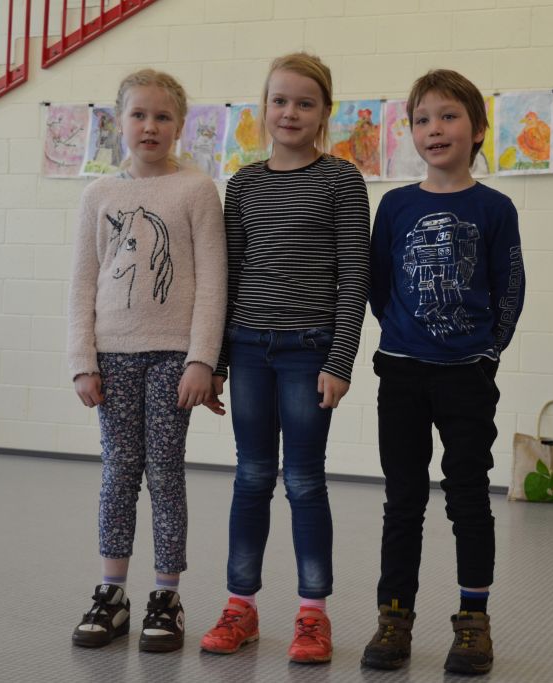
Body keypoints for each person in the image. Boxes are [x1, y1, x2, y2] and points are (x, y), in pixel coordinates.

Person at [198, 52, 371, 664]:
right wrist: (217, 362)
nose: (290, 112)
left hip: (308, 351)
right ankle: (239, 607)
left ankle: (312, 614)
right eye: (279, 101)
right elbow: (227, 277)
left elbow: (355, 277)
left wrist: (340, 360)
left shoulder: (341, 180)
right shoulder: (243, 183)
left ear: (325, 113)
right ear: (263, 108)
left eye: (304, 103)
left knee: (303, 480)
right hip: (248, 347)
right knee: (251, 477)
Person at [361, 69, 525, 676]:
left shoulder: (494, 208)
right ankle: (394, 617)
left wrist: (487, 352)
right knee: (403, 500)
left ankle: (473, 620)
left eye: (449, 116)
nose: (435, 128)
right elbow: (379, 284)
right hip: (402, 373)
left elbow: (510, 288)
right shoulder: (396, 205)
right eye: (423, 119)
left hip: (466, 376)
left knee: (468, 497)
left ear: (477, 129)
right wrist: (406, 334)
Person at [66, 69, 227, 653]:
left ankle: (166, 595)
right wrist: (82, 359)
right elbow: (83, 282)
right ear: (120, 122)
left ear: (180, 125)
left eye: (163, 116)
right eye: (139, 115)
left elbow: (213, 283)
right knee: (118, 471)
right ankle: (112, 593)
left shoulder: (196, 190)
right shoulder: (98, 196)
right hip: (112, 356)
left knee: (164, 473)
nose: (150, 126)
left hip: (172, 357)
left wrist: (202, 359)